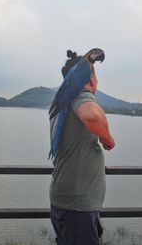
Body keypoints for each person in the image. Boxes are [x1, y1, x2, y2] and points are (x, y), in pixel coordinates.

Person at [49, 60, 115, 244]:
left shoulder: (61, 103)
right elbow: (92, 115)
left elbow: (71, 147)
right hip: (77, 208)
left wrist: (97, 163)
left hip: (67, 202)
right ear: (91, 79)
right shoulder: (80, 95)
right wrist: (107, 138)